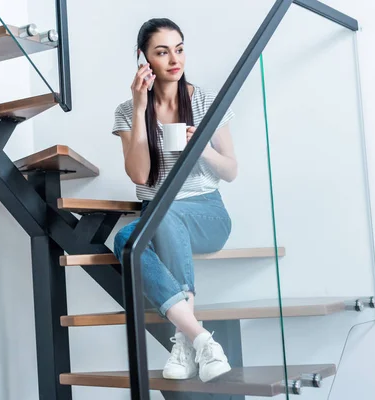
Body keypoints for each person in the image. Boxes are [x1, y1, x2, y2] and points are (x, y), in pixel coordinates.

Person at [112, 18, 238, 383]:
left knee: (157, 218)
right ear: (144, 58)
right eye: (162, 51)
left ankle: (183, 340)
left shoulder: (205, 100)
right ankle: (198, 337)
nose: (173, 59)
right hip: (160, 212)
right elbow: (139, 175)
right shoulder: (126, 111)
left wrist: (201, 148)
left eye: (179, 49)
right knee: (125, 239)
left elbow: (230, 171)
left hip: (208, 213)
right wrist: (139, 108)